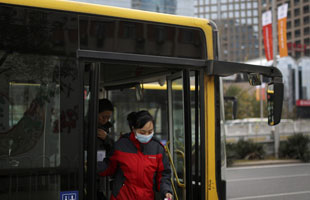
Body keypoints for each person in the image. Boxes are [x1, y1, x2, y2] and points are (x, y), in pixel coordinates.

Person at [97, 110, 173, 200]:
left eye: (150, 131)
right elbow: (109, 167)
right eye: (142, 132)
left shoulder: (158, 149)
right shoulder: (121, 145)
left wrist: (166, 191)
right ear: (133, 129)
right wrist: (91, 167)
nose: (147, 135)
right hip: (122, 197)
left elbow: (163, 175)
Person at [97, 98, 115, 200]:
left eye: (108, 117)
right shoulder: (87, 127)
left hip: (102, 169)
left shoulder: (107, 130)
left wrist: (107, 138)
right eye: (103, 117)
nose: (106, 120)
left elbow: (113, 149)